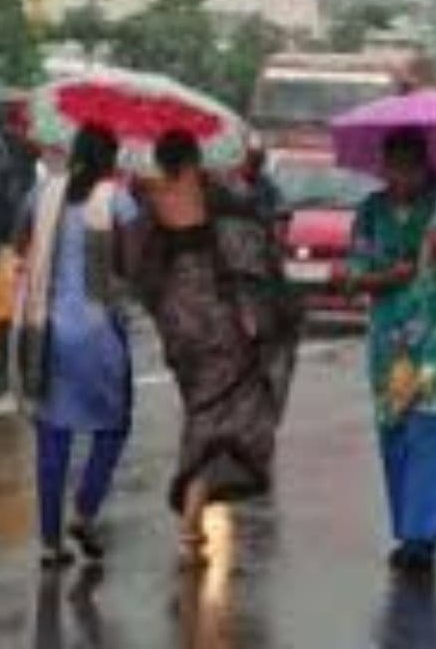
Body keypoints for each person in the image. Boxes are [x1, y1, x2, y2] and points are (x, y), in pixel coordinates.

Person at [135, 130, 289, 568]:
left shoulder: (149, 197)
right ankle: (191, 518)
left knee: (201, 410)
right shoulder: (216, 194)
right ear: (193, 159)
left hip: (176, 320)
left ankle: (194, 517)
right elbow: (248, 254)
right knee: (228, 409)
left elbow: (138, 265)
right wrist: (258, 313)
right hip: (216, 316)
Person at [339, 128, 436, 575]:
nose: (401, 176)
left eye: (410, 166)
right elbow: (353, 278)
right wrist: (391, 276)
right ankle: (407, 528)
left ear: (425, 165)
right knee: (398, 434)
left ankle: (424, 535)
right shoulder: (370, 211)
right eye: (393, 166)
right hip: (393, 346)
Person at [13, 126, 139, 570]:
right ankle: (84, 510)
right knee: (114, 425)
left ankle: (49, 544)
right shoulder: (118, 201)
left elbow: (19, 244)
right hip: (98, 331)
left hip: (45, 328)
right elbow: (130, 264)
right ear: (111, 158)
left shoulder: (43, 194)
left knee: (53, 435)